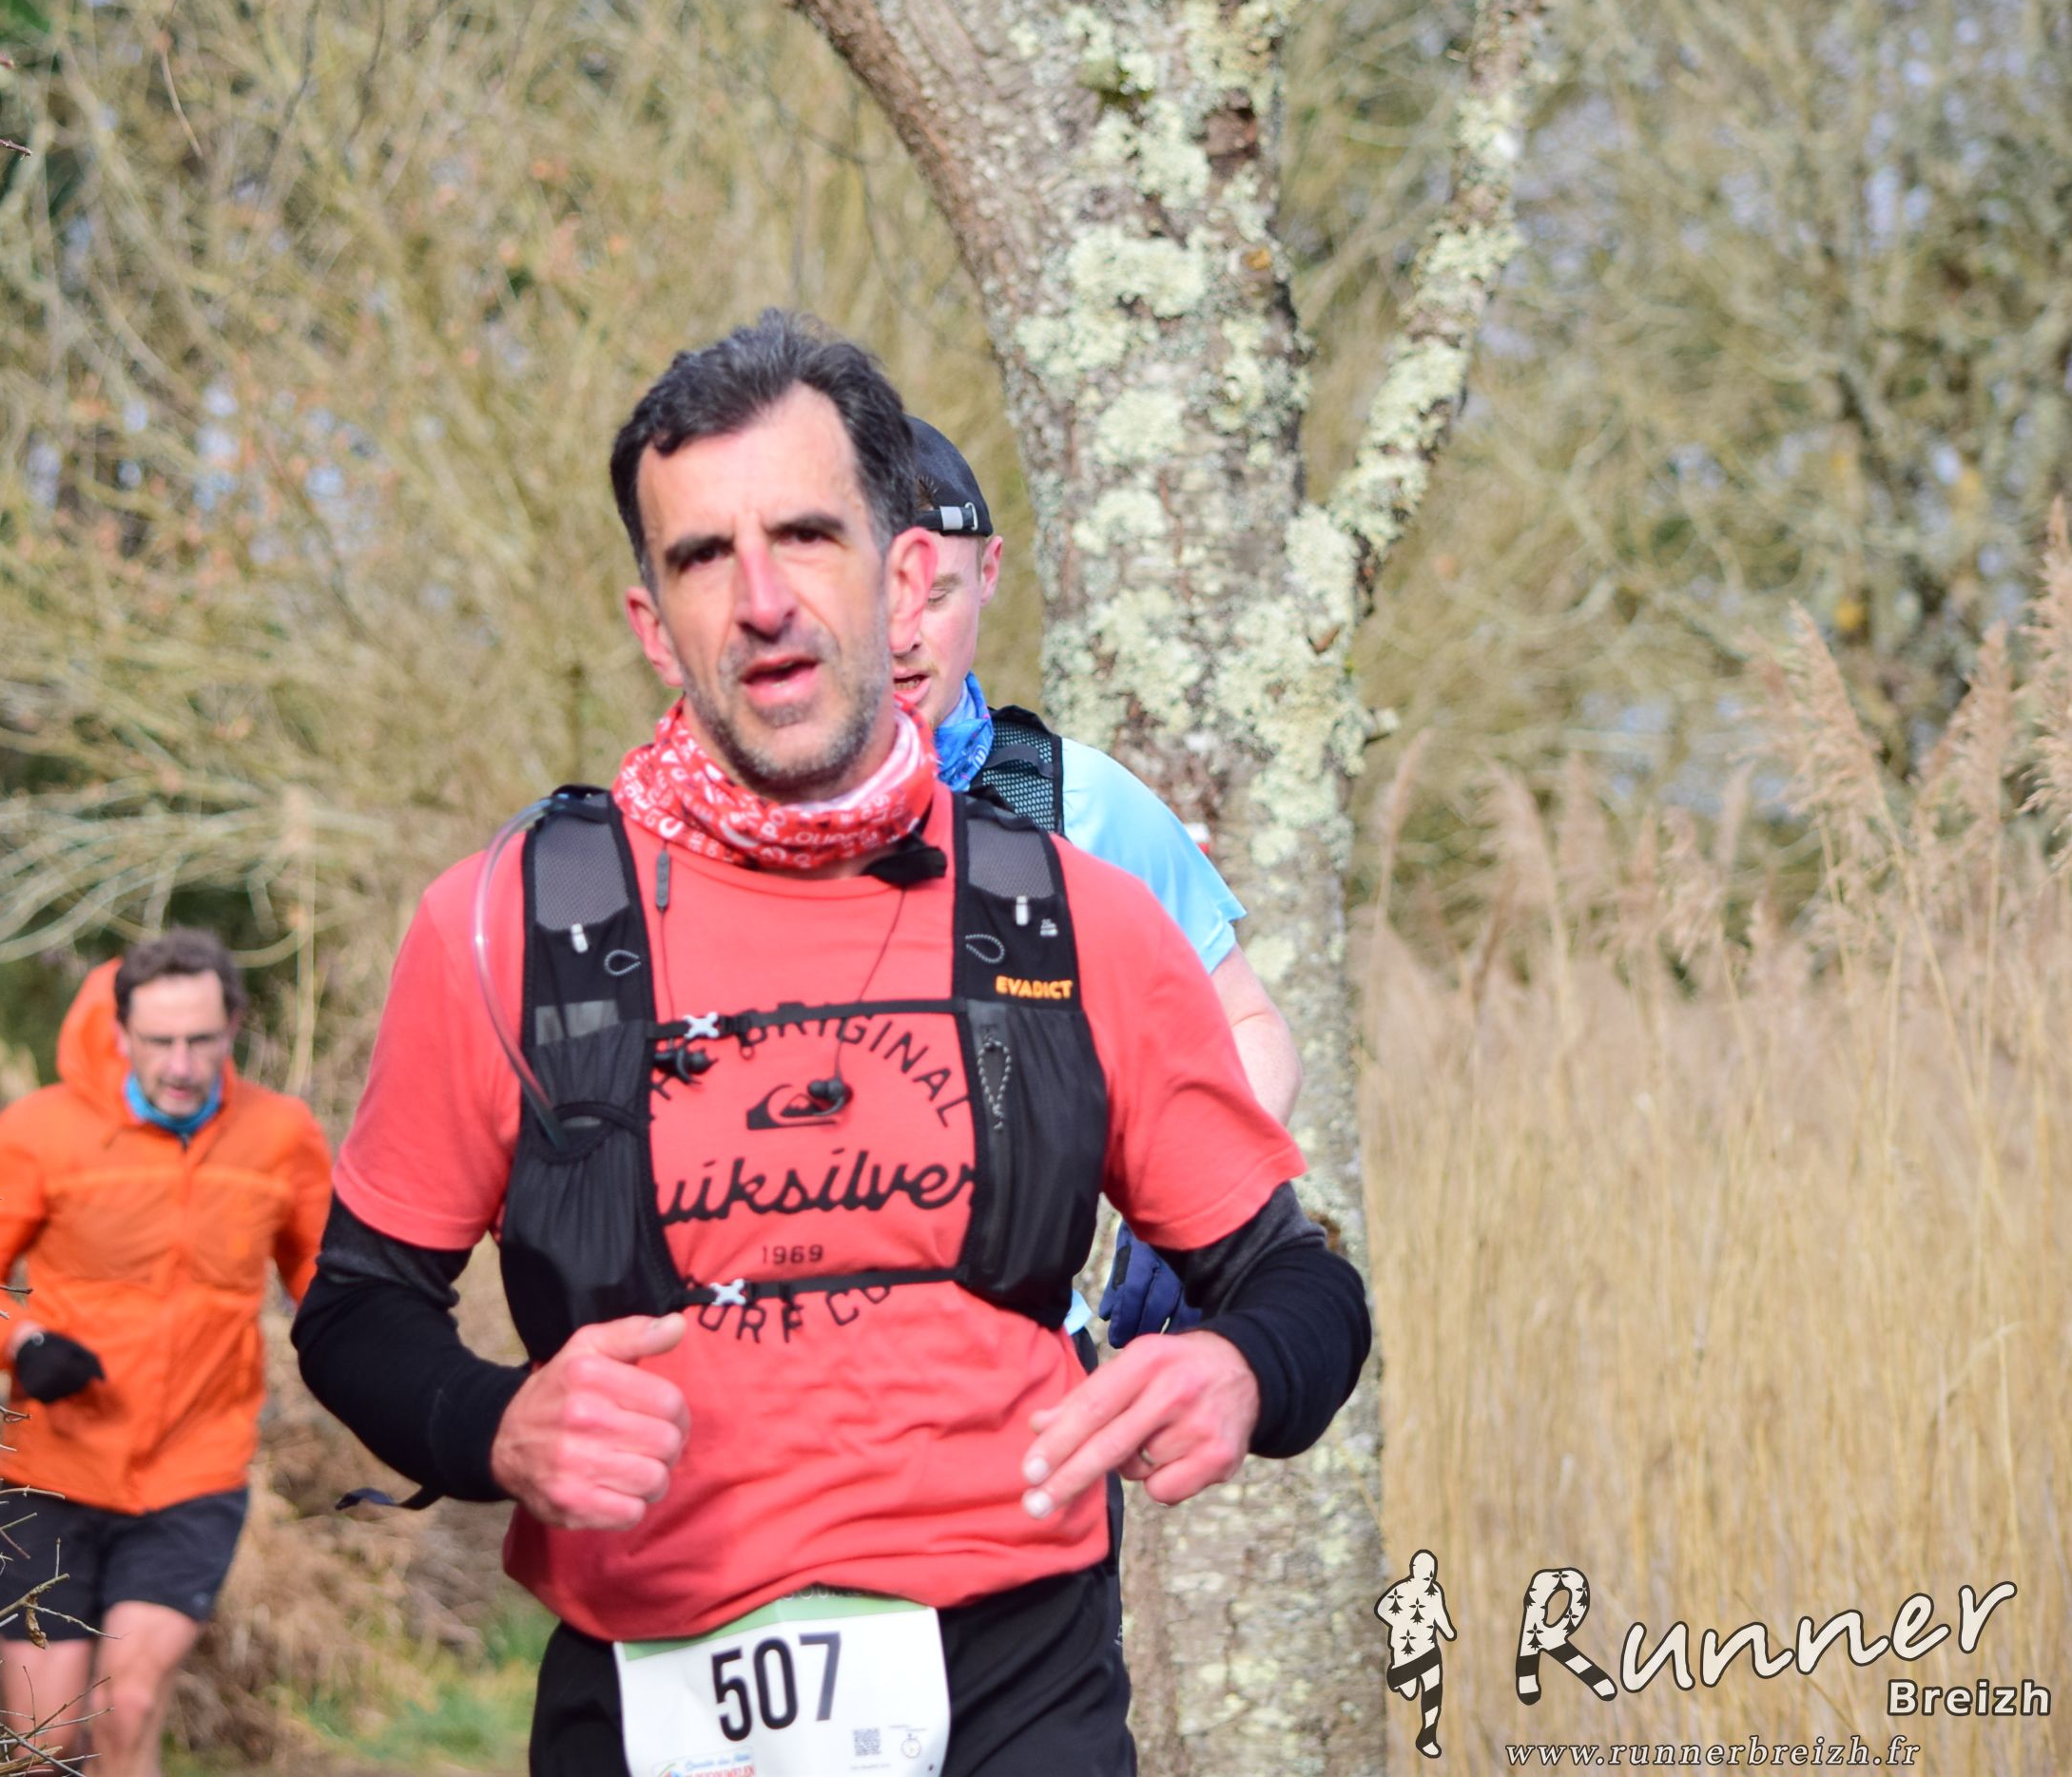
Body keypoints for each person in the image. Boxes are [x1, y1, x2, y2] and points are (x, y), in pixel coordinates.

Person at [293, 311, 1368, 1775]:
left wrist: (1241, 1371)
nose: (761, 601)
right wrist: (492, 1424)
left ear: (905, 575)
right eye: (703, 557)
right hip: (646, 1688)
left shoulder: (1071, 915)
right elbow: (357, 1310)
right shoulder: (506, 926)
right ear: (651, 622)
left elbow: (1299, 1283)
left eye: (805, 536)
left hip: (1017, 1680)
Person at [891, 418, 1300, 1348]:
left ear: (989, 572)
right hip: (789, 1385)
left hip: (1035, 1377)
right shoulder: (732, 817)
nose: (904, 635)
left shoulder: (1074, 800)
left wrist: (1200, 1192)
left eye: (937, 593)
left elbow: (1246, 1022)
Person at [0, 929, 332, 1777]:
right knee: (43, 1745)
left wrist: (376, 1353)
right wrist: (22, 1340)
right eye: (160, 1041)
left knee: (128, 1708)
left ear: (234, 1027)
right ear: (121, 1032)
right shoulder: (43, 1129)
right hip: (54, 1470)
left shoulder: (280, 1134)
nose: (181, 1065)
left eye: (202, 1040)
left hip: (195, 1471)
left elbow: (325, 1277)